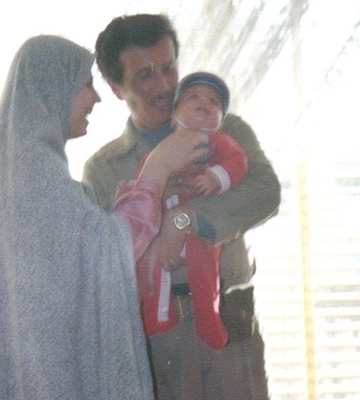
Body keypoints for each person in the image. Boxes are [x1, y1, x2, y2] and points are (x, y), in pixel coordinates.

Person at [0, 34, 210, 400]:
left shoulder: (20, 162)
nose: (95, 98)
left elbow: (80, 247)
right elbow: (107, 250)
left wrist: (139, 198)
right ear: (54, 89)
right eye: (86, 84)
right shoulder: (31, 168)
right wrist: (157, 170)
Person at [83, 14, 281, 400]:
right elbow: (107, 262)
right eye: (145, 76)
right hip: (156, 343)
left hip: (230, 330)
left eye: (169, 68)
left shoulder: (228, 132)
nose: (164, 86)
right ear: (116, 87)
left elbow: (265, 193)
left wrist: (186, 219)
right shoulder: (104, 168)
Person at [137, 72, 248, 351]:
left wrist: (216, 177)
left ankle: (209, 319)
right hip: (160, 232)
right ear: (174, 116)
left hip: (197, 232)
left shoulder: (219, 144)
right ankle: (157, 316)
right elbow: (143, 189)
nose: (204, 103)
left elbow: (238, 162)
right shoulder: (159, 152)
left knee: (205, 272)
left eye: (213, 101)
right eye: (193, 97)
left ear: (220, 121)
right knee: (150, 268)